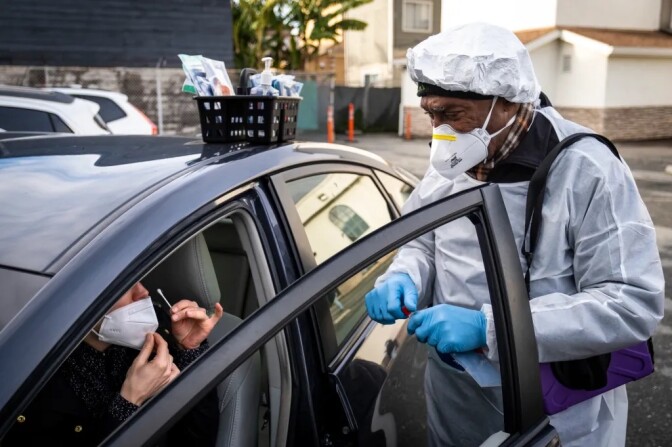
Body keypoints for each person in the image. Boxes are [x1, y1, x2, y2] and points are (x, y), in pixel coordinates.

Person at [365, 22, 664, 447]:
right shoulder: (454, 161)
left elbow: (632, 302)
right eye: (432, 114)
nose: (441, 133)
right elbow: (423, 240)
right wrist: (405, 275)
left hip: (556, 399)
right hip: (455, 389)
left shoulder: (587, 168)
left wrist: (492, 327)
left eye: (451, 115)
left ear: (504, 102)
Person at [5, 282, 224, 446]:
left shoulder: (160, 331)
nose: (143, 292)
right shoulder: (32, 373)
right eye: (123, 284)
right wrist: (128, 402)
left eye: (139, 276)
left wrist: (190, 351)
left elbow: (197, 440)